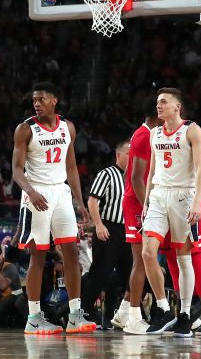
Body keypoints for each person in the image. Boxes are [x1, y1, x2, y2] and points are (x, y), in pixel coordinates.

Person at [12, 82, 96, 335]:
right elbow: (17, 169)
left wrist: (80, 203)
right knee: (38, 255)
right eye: (34, 100)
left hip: (61, 193)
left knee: (71, 252)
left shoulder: (68, 127)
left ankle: (74, 315)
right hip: (36, 192)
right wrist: (31, 191)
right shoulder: (25, 129)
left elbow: (71, 168)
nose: (36, 103)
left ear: (54, 100)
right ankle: (34, 317)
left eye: (41, 99)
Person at [141, 87, 201, 338]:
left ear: (177, 107)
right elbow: (152, 170)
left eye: (164, 102)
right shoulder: (155, 133)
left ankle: (186, 315)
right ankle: (164, 308)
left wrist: (196, 201)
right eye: (158, 102)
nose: (158, 106)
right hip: (159, 195)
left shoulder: (192, 130)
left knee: (183, 258)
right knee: (148, 252)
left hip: (183, 195)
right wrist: (147, 200)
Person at [119, 99, 161, 335]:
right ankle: (134, 316)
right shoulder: (146, 136)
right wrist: (148, 206)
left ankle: (124, 311)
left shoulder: (141, 133)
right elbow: (135, 178)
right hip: (137, 203)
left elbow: (130, 172)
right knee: (141, 261)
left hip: (135, 201)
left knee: (145, 260)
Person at [81, 140, 132, 329]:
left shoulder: (134, 177)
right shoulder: (107, 174)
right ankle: (84, 312)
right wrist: (99, 225)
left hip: (129, 230)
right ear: (119, 155)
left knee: (131, 275)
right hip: (108, 228)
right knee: (100, 274)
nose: (132, 156)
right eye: (129, 152)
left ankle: (130, 314)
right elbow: (92, 201)